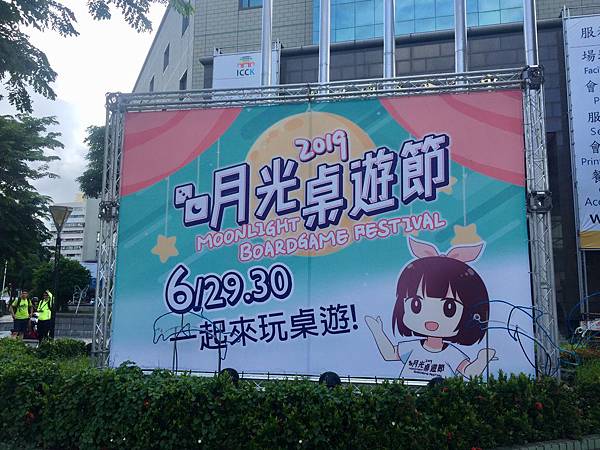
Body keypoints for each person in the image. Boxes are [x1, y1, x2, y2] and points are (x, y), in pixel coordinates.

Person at [365, 237, 497, 381]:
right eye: (416, 304)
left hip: (441, 395)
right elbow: (389, 354)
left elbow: (469, 373)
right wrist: (377, 331)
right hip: (408, 394)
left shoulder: (453, 354)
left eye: (449, 308)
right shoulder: (413, 347)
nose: (431, 320)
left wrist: (482, 359)